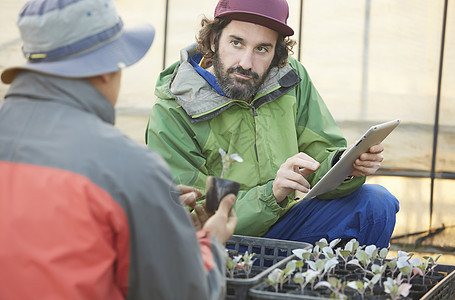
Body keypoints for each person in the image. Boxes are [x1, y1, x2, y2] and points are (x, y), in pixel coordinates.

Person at [0, 0, 237, 299]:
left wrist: (145, 206)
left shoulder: (132, 177)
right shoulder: (131, 168)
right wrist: (210, 243)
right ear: (105, 69)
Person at [145, 0, 399, 249]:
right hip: (221, 242)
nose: (246, 63)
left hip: (285, 225)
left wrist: (345, 165)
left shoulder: (290, 78)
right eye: (236, 43)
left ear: (277, 51)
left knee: (376, 203)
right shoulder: (173, 109)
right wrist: (272, 194)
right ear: (213, 40)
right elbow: (193, 214)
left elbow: (320, 152)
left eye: (262, 49)